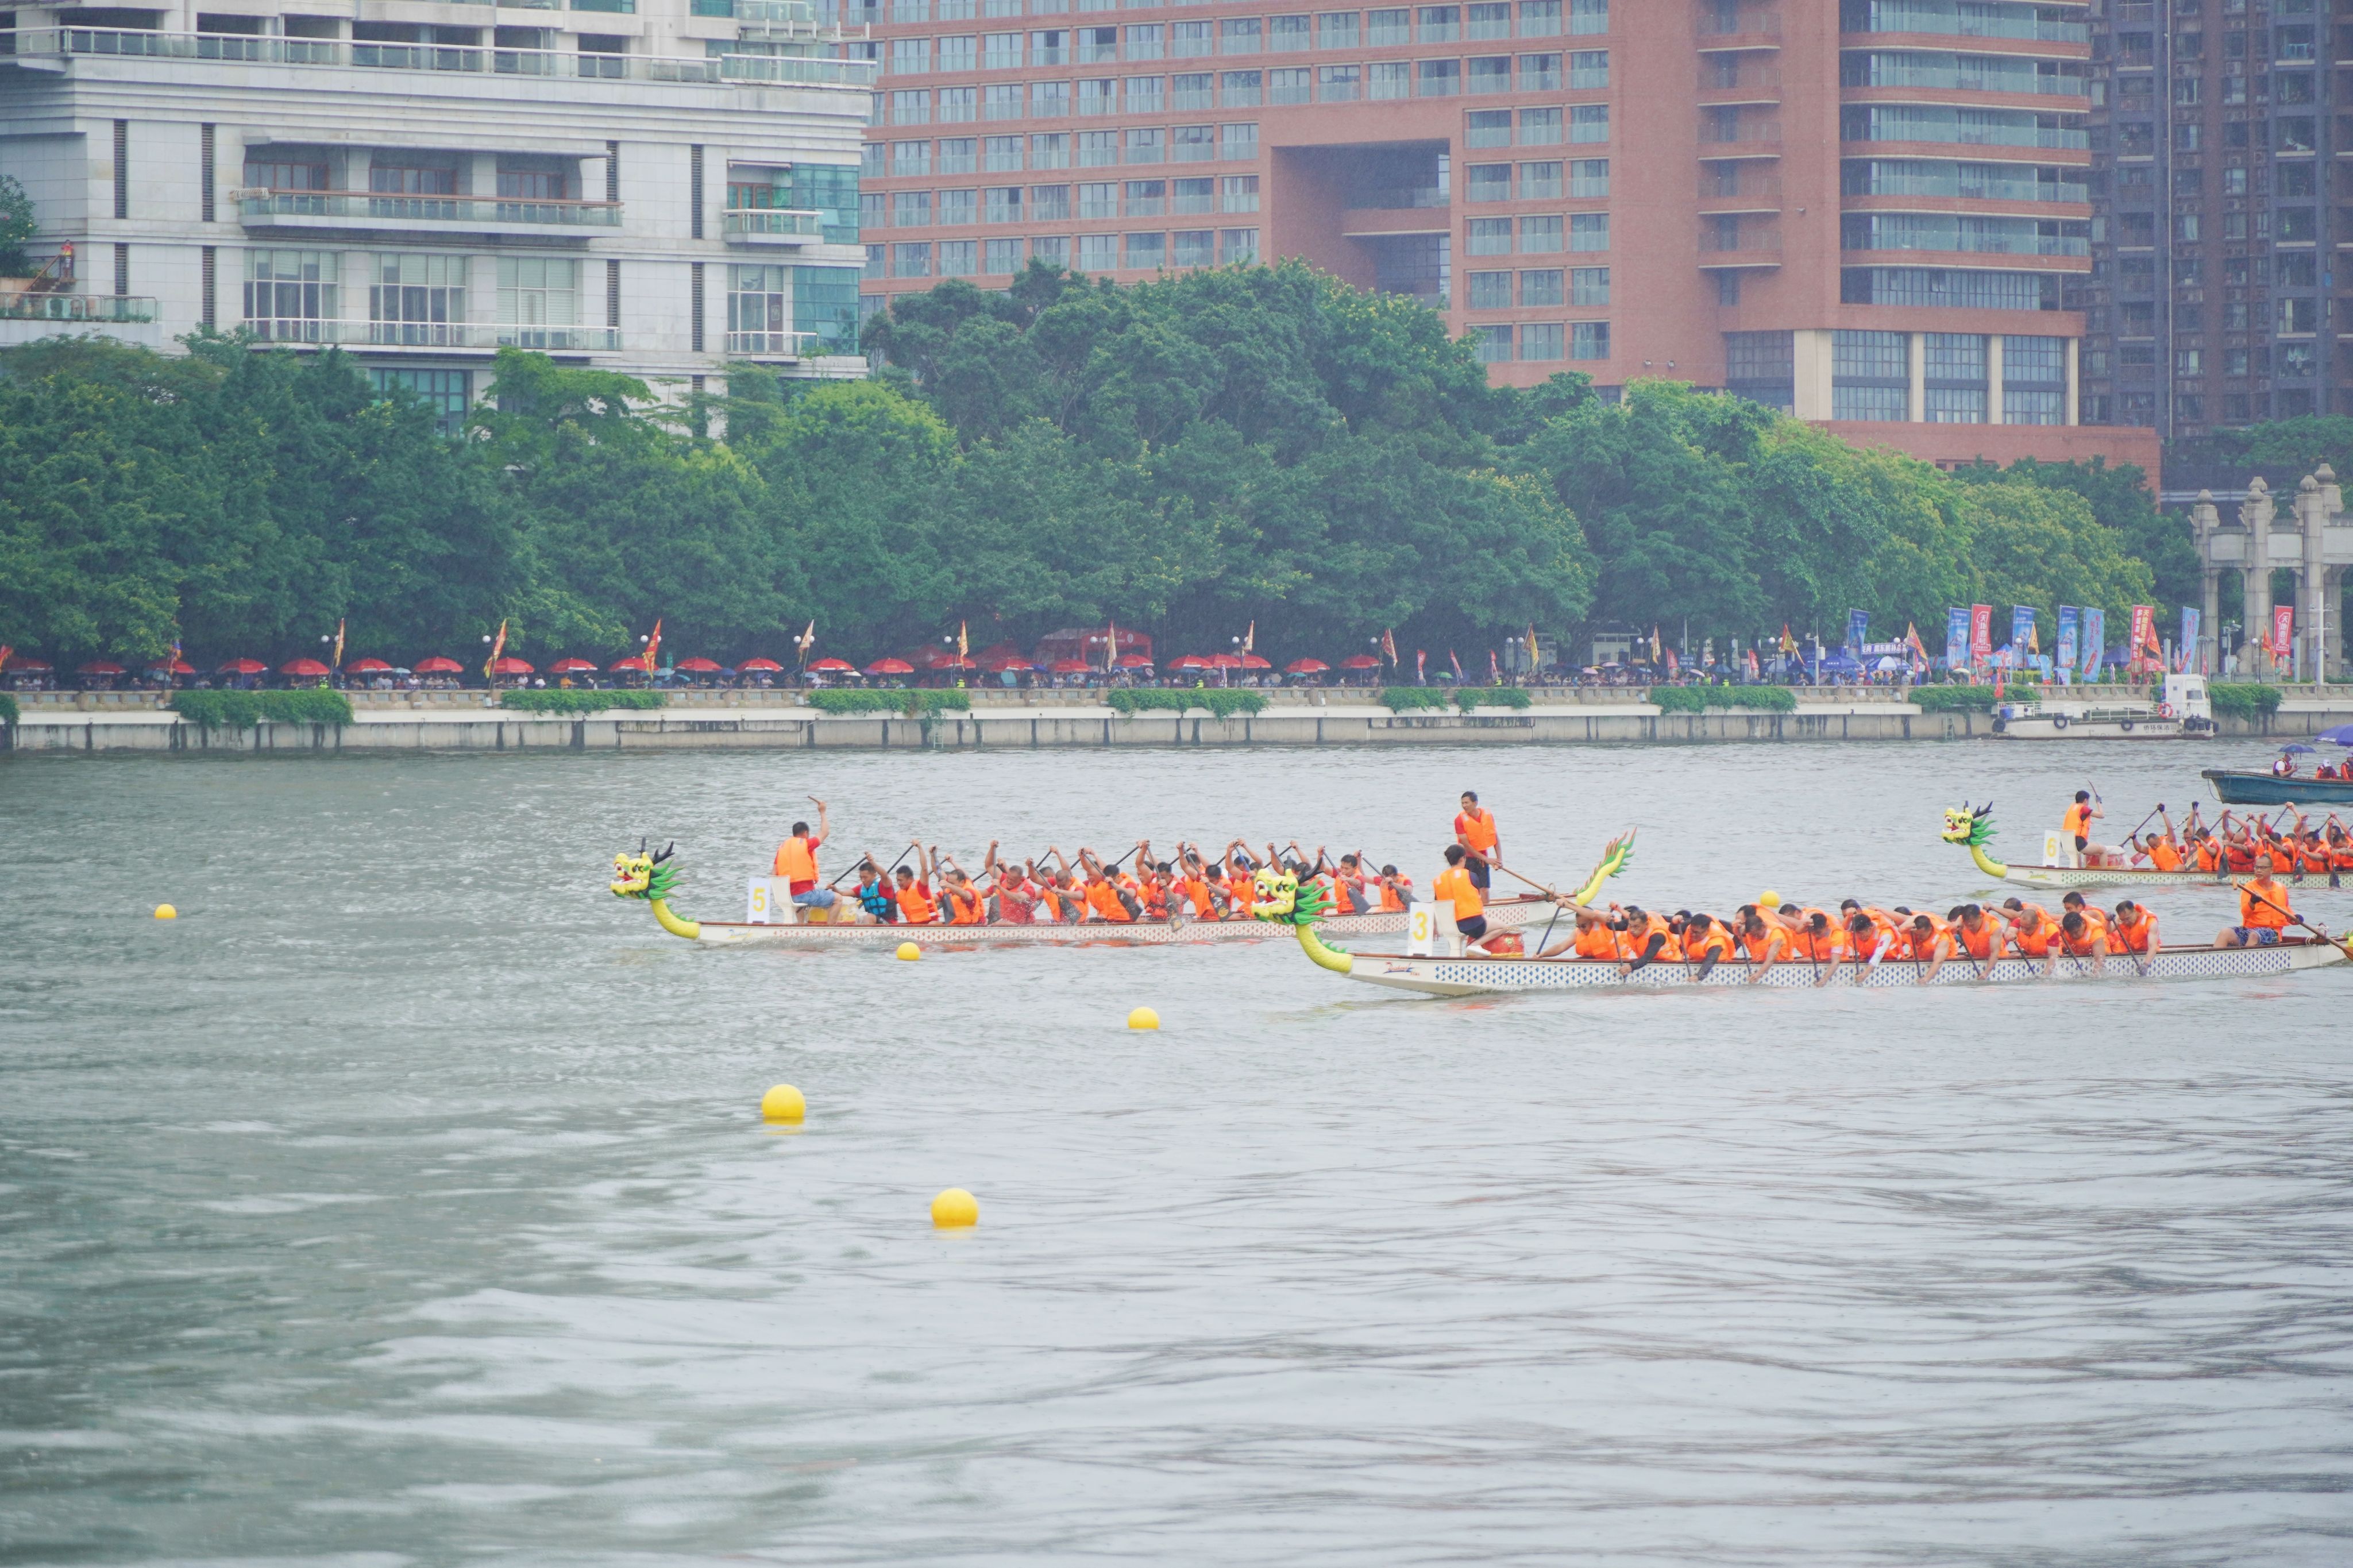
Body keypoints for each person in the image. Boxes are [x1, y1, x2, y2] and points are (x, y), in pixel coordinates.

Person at [772, 797, 839, 922]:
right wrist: (823, 812)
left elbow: (774, 874)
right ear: (805, 834)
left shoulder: (782, 848)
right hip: (806, 895)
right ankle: (830, 930)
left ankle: (800, 927)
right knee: (838, 899)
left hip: (789, 897)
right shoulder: (806, 844)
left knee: (800, 903)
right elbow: (825, 832)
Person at [2217, 866, 2299, 947]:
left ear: (2271, 870)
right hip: (2249, 930)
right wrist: (2252, 902)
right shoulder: (2249, 887)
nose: (2259, 871)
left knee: (2254, 935)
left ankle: (2246, 958)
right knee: (2225, 933)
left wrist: (2294, 918)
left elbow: (2286, 909)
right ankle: (2216, 958)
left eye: (2263, 868)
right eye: (2257, 868)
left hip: (2273, 932)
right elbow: (2246, 914)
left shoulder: (2281, 888)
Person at [1433, 844, 1491, 949]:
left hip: (1448, 926)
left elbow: (1437, 906)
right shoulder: (1470, 876)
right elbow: (1477, 897)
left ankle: (1457, 952)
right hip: (1474, 926)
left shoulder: (1438, 880)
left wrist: (1435, 926)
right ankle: (1474, 945)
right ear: (1462, 858)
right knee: (1502, 927)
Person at [1453, 791, 1502, 892]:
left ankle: (1484, 907)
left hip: (1483, 859)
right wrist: (1487, 859)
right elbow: (1466, 845)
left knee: (1484, 890)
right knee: (1470, 890)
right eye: (1463, 803)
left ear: (1475, 803)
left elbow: (1495, 838)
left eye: (1467, 803)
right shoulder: (1459, 820)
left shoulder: (1487, 816)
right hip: (1467, 860)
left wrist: (1499, 860)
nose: (1464, 806)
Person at [2111, 899, 2160, 969]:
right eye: (2123, 920)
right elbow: (2109, 930)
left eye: (2128, 919)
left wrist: (2146, 965)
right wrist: (2109, 921)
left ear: (2134, 911)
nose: (2126, 922)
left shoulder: (2151, 922)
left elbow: (2153, 947)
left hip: (2145, 953)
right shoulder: (2122, 918)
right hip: (2127, 951)